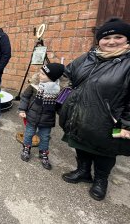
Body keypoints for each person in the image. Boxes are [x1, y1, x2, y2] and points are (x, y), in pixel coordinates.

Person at [59, 18, 130, 201]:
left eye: (118, 37)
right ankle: (83, 171)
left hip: (109, 120)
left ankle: (100, 180)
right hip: (79, 114)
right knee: (80, 143)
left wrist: (127, 125)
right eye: (106, 38)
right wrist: (66, 96)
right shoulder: (88, 57)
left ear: (127, 39)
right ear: (99, 40)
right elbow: (67, 74)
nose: (112, 41)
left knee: (105, 151)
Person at [18, 63, 65, 170]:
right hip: (32, 116)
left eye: (43, 74)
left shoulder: (57, 90)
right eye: (40, 73)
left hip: (47, 119)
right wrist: (22, 109)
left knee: (45, 137)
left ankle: (43, 153)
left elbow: (59, 106)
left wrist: (63, 114)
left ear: (51, 77)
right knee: (29, 134)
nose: (40, 75)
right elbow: (25, 97)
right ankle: (26, 148)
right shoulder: (34, 86)